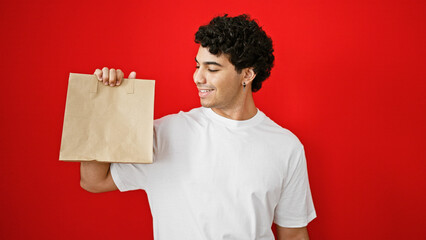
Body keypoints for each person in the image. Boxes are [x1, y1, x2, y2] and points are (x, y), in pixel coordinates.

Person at [80, 14, 316, 240]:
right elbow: (93, 181)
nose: (198, 78)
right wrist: (105, 106)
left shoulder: (286, 146)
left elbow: (293, 233)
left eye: (212, 69)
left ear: (247, 74)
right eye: (197, 66)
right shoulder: (166, 134)